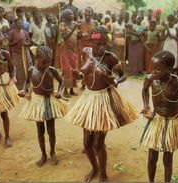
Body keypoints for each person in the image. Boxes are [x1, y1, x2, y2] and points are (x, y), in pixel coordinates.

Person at [66, 25, 138, 182]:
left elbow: (123, 76)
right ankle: (95, 169)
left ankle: (103, 173)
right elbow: (82, 74)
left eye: (104, 44)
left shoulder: (110, 57)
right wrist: (77, 75)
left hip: (104, 100)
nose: (102, 47)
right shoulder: (86, 53)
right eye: (98, 44)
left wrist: (113, 80)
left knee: (98, 144)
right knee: (87, 144)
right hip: (89, 100)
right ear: (91, 42)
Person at [140, 50, 178, 183]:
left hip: (172, 123)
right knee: (152, 157)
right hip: (156, 121)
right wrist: (146, 106)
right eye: (152, 68)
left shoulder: (177, 82)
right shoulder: (150, 79)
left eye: (157, 69)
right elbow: (144, 90)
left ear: (169, 69)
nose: (153, 71)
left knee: (167, 159)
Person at [18, 46, 67, 167]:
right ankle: (43, 154)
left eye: (48, 62)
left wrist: (60, 92)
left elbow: (62, 82)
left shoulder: (52, 70)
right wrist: (24, 90)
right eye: (44, 62)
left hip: (49, 101)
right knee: (40, 130)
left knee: (51, 130)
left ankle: (52, 152)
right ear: (36, 58)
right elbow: (26, 81)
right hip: (37, 102)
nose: (46, 64)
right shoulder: (31, 70)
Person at [59, 9, 79, 97]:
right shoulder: (62, 25)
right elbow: (65, 38)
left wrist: (81, 35)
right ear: (66, 16)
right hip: (65, 50)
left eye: (72, 14)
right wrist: (73, 29)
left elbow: (76, 37)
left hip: (73, 50)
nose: (72, 15)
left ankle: (71, 89)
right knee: (67, 70)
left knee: (74, 69)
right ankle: (65, 91)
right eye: (70, 14)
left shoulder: (74, 24)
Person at [9, 18, 32, 90]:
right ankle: (19, 87)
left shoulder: (25, 32)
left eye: (22, 23)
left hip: (25, 52)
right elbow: (9, 43)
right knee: (18, 69)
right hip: (16, 53)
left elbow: (29, 41)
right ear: (15, 24)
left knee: (27, 67)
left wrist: (25, 43)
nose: (21, 24)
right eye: (19, 23)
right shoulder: (12, 32)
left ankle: (27, 86)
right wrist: (17, 42)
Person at [78, 7, 96, 90]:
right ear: (84, 13)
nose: (88, 13)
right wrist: (81, 35)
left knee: (90, 64)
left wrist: (92, 36)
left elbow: (97, 35)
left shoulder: (94, 22)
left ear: (92, 13)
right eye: (86, 11)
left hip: (91, 45)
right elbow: (77, 35)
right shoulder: (80, 22)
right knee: (82, 64)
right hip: (82, 46)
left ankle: (88, 82)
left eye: (90, 11)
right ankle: (83, 83)